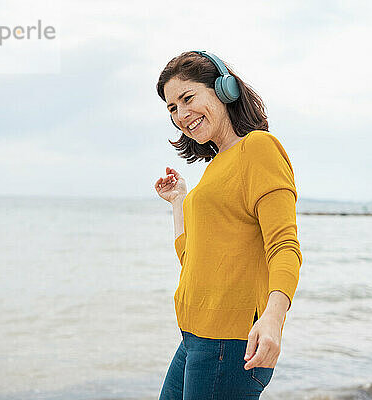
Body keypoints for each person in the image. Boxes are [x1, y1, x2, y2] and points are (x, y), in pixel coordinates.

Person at [153, 50, 303, 400]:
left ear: (225, 89)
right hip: (194, 337)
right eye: (172, 108)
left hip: (229, 343)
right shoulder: (214, 167)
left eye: (188, 98)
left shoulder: (259, 149)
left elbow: (284, 246)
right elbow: (193, 258)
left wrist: (273, 319)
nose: (181, 114)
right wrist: (178, 202)